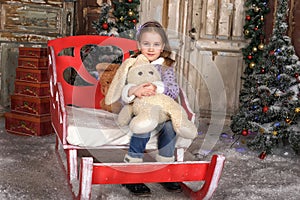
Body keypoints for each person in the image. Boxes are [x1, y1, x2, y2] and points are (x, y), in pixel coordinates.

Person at [121, 21, 182, 196]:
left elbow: (173, 90)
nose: (151, 48)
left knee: (170, 127)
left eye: (156, 44)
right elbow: (121, 92)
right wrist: (134, 90)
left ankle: (165, 169)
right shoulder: (132, 64)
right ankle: (132, 173)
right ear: (139, 44)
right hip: (139, 111)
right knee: (143, 126)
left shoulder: (166, 67)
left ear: (162, 46)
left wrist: (158, 88)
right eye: (146, 44)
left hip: (161, 113)